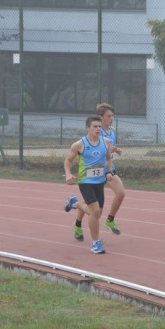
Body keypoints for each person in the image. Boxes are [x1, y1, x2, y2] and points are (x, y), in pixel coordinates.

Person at [72, 103, 125, 241]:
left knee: (121, 193)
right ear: (100, 117)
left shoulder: (112, 130)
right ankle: (78, 224)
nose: (111, 118)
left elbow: (108, 148)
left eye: (113, 116)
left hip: (108, 169)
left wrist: (116, 150)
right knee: (91, 203)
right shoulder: (96, 131)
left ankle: (110, 220)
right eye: (109, 116)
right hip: (93, 171)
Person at [63, 115, 114, 254]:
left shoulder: (106, 142)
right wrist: (68, 174)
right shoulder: (79, 144)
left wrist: (110, 172)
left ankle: (75, 203)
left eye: (99, 126)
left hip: (99, 182)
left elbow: (109, 159)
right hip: (85, 181)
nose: (98, 129)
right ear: (87, 128)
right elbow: (67, 161)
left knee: (96, 215)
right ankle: (96, 244)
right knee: (95, 211)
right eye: (95, 127)